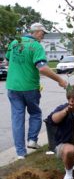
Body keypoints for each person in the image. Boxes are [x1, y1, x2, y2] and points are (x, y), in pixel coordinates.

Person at [5, 22, 67, 160]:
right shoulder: (36, 46)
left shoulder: (15, 42)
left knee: (17, 118)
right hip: (30, 87)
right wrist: (60, 80)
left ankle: (20, 153)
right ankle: (32, 140)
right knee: (35, 113)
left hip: (12, 87)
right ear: (37, 32)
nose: (43, 36)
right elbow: (43, 68)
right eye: (43, 33)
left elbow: (7, 61)